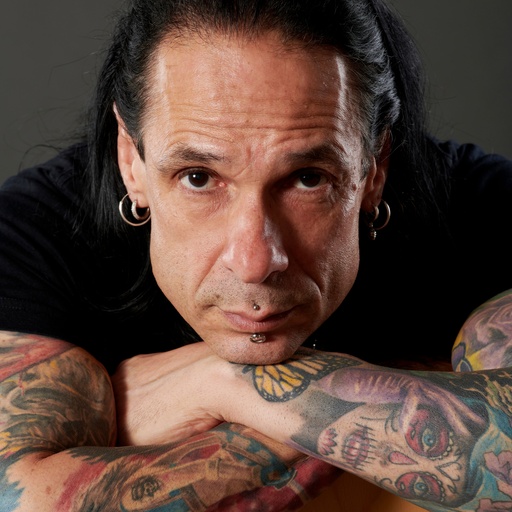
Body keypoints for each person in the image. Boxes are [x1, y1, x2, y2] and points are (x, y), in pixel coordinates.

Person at [0, 0, 511, 510]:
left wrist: (222, 383)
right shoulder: (32, 237)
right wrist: (425, 387)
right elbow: (23, 497)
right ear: (131, 159)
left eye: (308, 179)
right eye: (198, 178)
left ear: (374, 168)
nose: (254, 262)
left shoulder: (484, 210)